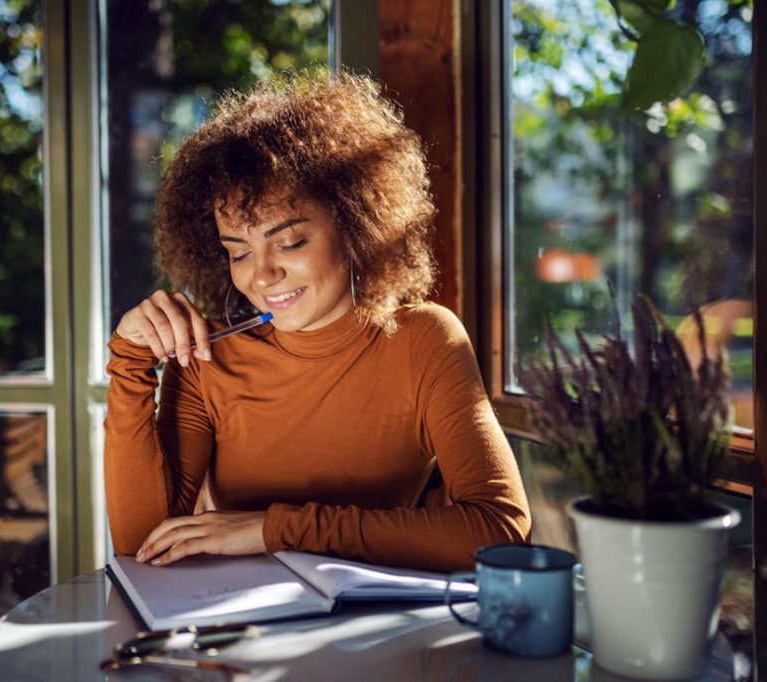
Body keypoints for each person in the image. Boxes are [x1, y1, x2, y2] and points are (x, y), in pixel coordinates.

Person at [105, 70, 530, 573]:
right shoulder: (207, 359)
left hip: (379, 630)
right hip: (244, 632)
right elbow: (142, 544)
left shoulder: (425, 339)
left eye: (290, 243)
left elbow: (500, 529)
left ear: (355, 227)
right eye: (238, 251)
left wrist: (273, 529)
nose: (262, 275)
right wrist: (128, 359)